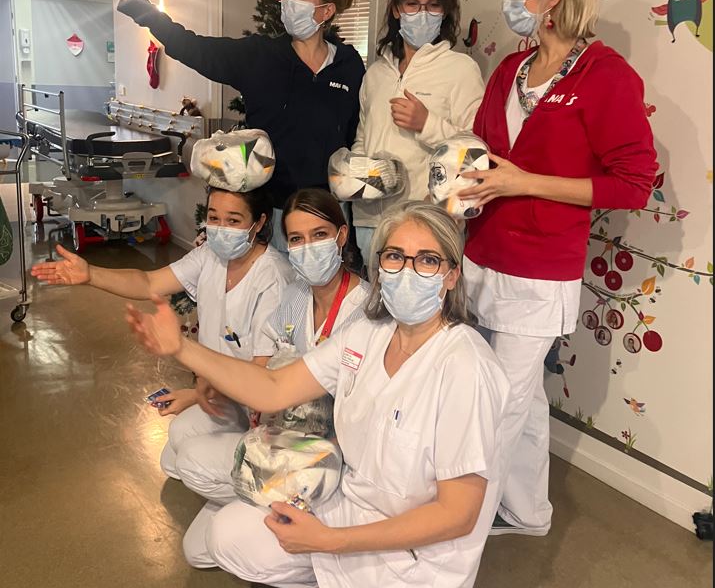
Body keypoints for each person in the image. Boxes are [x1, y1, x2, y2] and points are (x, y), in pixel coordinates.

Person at [127, 201, 510, 588]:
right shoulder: (369, 334)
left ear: (451, 275)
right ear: (380, 266)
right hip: (351, 506)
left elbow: (457, 514)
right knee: (228, 535)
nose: (407, 272)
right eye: (395, 257)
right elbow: (274, 388)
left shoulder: (466, 366)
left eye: (427, 260)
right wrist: (182, 349)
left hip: (416, 555)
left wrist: (331, 542)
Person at [458, 0, 658, 536]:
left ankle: (457, 535)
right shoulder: (511, 70)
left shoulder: (606, 76)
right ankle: (528, 510)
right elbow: (483, 149)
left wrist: (524, 183)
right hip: (482, 255)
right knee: (520, 401)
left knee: (495, 409)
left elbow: (633, 185)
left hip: (539, 272)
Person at [81, 0, 365, 252]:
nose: (290, 1)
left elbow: (355, 134)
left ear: (327, 10)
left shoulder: (349, 65)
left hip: (327, 216)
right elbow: (187, 44)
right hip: (272, 213)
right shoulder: (259, 56)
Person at [30, 186, 293, 479]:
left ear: (259, 222)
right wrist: (91, 274)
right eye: (213, 218)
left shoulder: (273, 278)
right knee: (174, 452)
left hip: (262, 409)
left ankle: (260, 489)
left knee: (191, 462)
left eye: (233, 220)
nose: (220, 229)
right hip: (223, 396)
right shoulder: (210, 256)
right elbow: (148, 282)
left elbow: (262, 375)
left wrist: (198, 392)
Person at [168, 187, 369, 505]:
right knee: (178, 451)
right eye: (297, 239)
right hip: (278, 425)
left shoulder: (366, 311)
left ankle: (267, 507)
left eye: (319, 235)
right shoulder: (295, 296)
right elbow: (267, 370)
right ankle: (257, 501)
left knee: (196, 469)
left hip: (329, 450)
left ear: (342, 235)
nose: (308, 248)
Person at [351, 0, 484, 264]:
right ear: (397, 9)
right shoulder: (376, 73)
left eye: (433, 5)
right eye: (412, 3)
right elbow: (363, 138)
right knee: (374, 295)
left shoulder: (461, 70)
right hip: (370, 220)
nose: (422, 13)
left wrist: (427, 124)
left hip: (426, 223)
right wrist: (355, 175)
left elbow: (475, 151)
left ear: (444, 10)